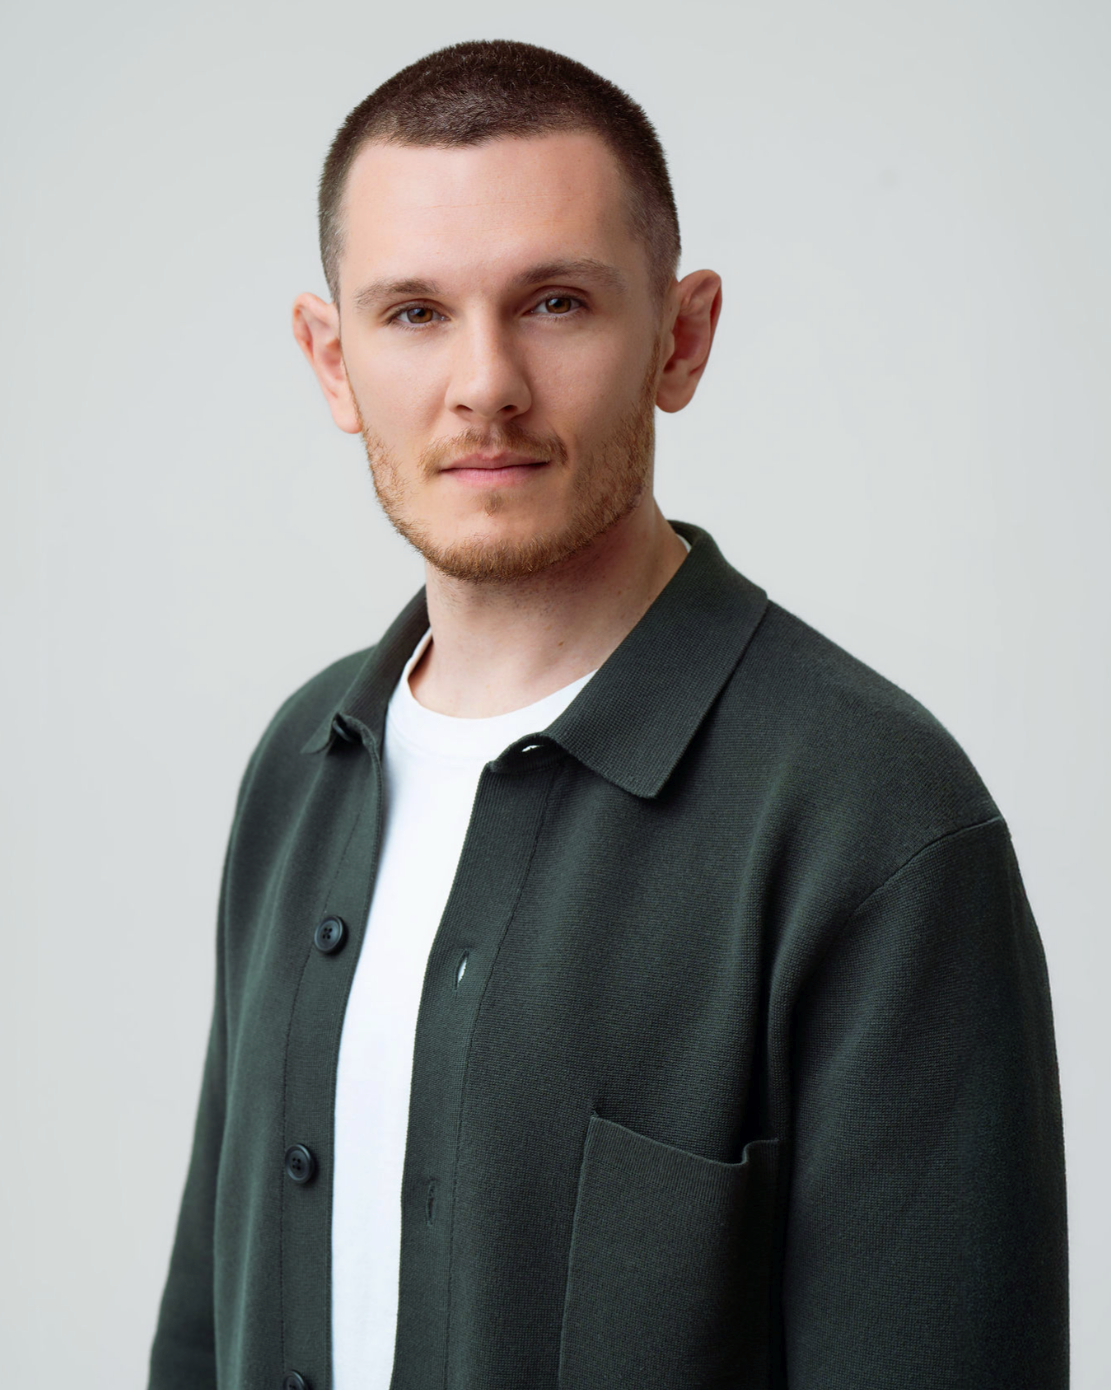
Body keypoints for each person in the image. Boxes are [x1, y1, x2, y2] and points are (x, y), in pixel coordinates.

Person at [147, 38, 1068, 1390]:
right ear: (329, 358)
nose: (484, 385)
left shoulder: (870, 817)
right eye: (412, 313)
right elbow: (206, 1321)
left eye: (556, 302)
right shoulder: (299, 765)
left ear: (679, 336)